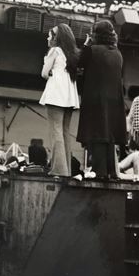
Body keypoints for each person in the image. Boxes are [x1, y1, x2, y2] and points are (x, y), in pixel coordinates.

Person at [76, 20, 125, 180]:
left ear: (95, 34)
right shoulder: (118, 53)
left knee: (96, 134)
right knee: (108, 136)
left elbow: (78, 62)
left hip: (95, 99)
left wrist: (86, 44)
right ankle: (111, 171)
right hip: (114, 101)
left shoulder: (92, 50)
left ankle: (100, 171)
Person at [38, 23, 80, 176]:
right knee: (65, 132)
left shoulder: (54, 51)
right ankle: (66, 169)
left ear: (57, 38)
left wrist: (50, 73)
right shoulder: (72, 54)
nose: (48, 37)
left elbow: (44, 73)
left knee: (55, 131)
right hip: (70, 95)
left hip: (55, 94)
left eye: (51, 35)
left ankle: (58, 169)